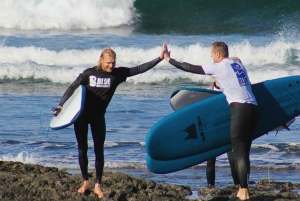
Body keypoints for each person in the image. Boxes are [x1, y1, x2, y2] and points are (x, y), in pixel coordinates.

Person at [53, 46, 165, 199]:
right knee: (82, 149)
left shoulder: (117, 74)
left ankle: (98, 184)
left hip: (98, 117)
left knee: (99, 150)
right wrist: (61, 105)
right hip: (81, 116)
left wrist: (159, 58)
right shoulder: (88, 74)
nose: (111, 66)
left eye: (113, 63)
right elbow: (72, 87)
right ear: (101, 60)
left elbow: (138, 69)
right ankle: (85, 181)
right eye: (108, 63)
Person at [162, 42, 259, 201]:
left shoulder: (220, 66)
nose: (211, 57)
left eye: (212, 54)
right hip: (254, 109)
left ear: (218, 55)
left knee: (239, 153)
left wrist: (168, 59)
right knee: (244, 152)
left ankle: (243, 191)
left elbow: (190, 67)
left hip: (239, 110)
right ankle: (243, 187)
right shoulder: (238, 65)